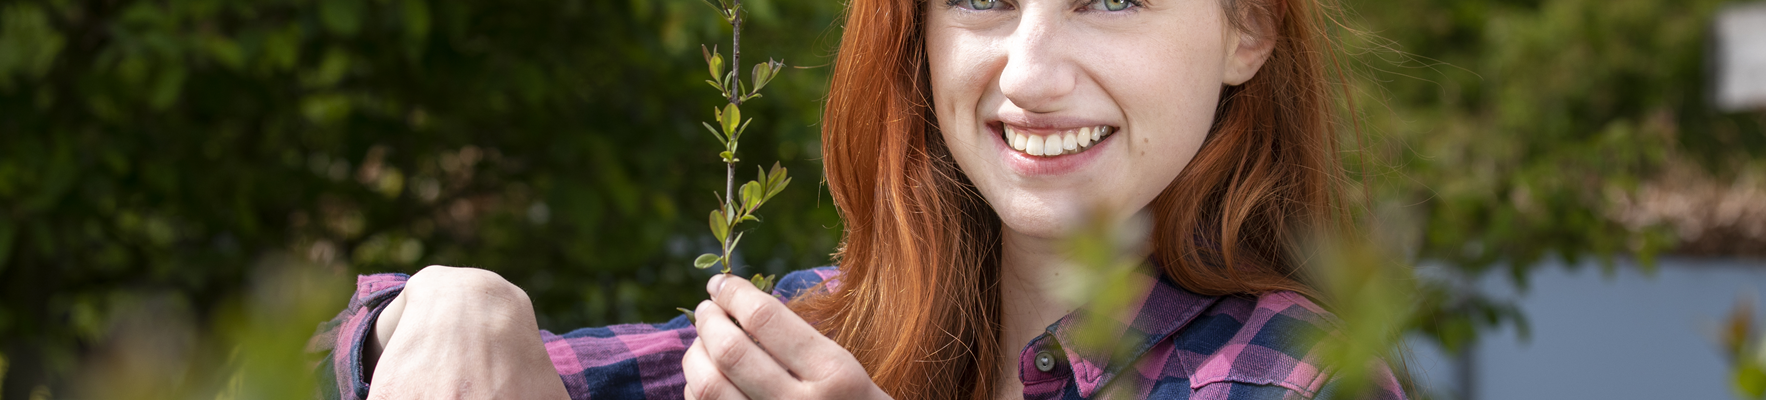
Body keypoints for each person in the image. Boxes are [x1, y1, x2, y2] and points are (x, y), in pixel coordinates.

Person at [311, 0, 1413, 398]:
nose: (1029, 69)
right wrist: (448, 309)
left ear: (1248, 30)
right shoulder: (827, 329)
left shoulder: (1294, 375)